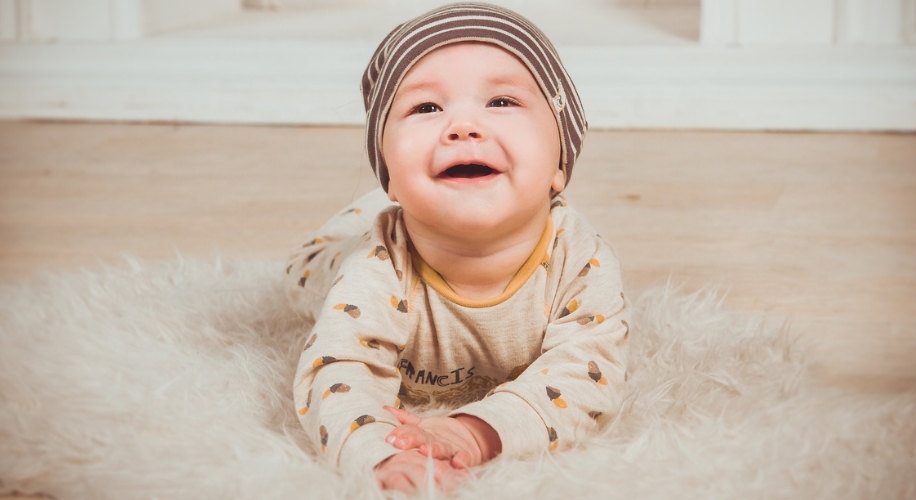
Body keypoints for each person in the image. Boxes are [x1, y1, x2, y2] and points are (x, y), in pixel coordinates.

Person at [285, 2, 630, 492]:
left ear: (561, 162)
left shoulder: (582, 258)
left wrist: (476, 431)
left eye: (502, 102)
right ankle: (367, 211)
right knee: (321, 268)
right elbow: (339, 371)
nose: (463, 127)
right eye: (426, 108)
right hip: (333, 258)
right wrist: (380, 454)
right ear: (390, 176)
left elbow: (586, 376)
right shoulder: (377, 264)